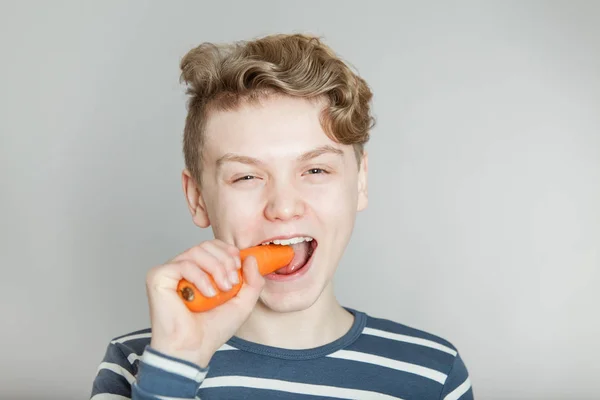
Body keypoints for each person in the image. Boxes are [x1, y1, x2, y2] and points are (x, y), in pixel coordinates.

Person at [90, 33, 474, 400]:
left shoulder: (433, 374)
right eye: (246, 177)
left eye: (316, 170)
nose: (284, 207)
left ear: (359, 182)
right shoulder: (139, 364)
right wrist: (174, 366)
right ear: (198, 198)